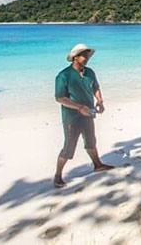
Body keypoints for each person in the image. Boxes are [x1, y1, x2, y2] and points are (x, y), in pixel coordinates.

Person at [54, 44, 114, 188]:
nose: (87, 58)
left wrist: (99, 101)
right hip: (71, 117)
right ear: (75, 57)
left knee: (91, 141)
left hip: (89, 113)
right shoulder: (63, 75)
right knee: (69, 146)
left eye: (88, 56)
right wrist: (79, 107)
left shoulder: (89, 72)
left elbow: (96, 87)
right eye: (84, 56)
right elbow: (60, 98)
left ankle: (98, 165)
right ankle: (57, 175)